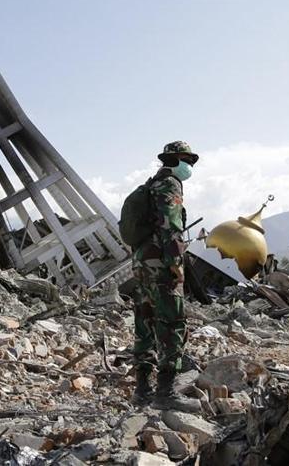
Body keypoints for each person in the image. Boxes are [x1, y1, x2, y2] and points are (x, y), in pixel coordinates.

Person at [132, 141, 200, 410]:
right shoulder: (170, 184)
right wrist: (174, 262)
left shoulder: (150, 184)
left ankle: (142, 391)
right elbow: (171, 226)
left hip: (142, 262)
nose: (189, 166)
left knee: (144, 322)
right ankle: (166, 393)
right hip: (161, 263)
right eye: (187, 160)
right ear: (173, 160)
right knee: (172, 321)